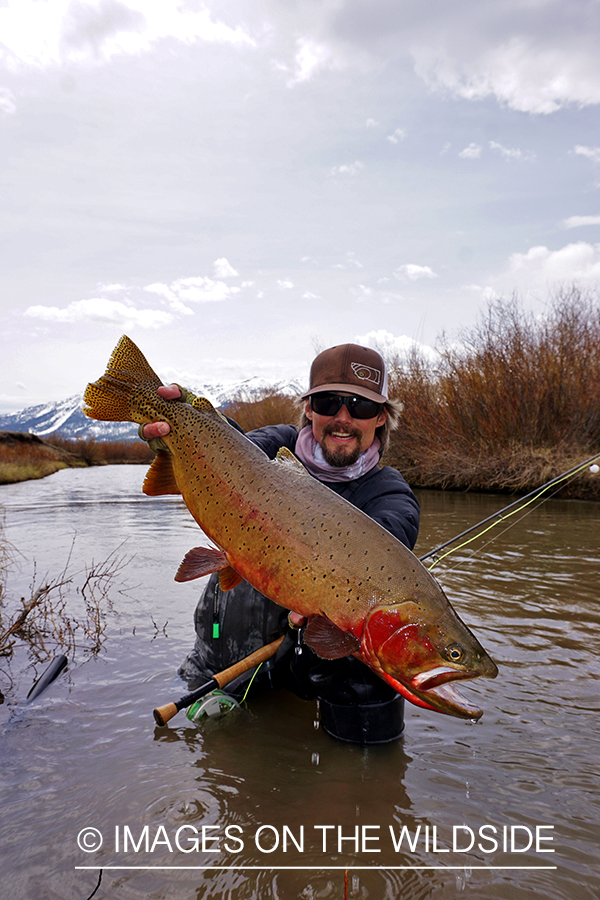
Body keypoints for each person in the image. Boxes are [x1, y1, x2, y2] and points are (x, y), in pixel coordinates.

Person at [142, 343, 420, 743]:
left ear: (380, 417)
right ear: (309, 408)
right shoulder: (274, 446)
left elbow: (392, 536)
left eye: (359, 407)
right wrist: (179, 425)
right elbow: (231, 447)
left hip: (302, 667)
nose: (343, 419)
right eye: (328, 403)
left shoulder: (389, 493)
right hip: (222, 662)